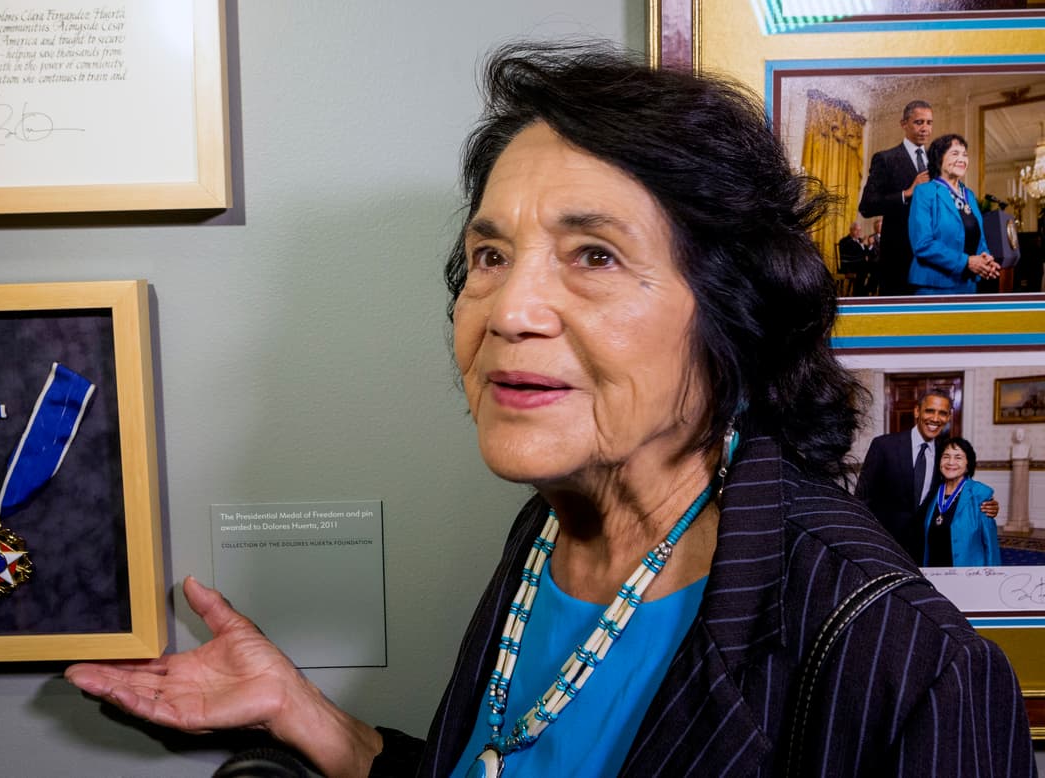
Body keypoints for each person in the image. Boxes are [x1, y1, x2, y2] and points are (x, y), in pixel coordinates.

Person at [65, 44, 1034, 777]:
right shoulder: (555, 527)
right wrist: (317, 723)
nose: (507, 312)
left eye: (594, 256)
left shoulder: (899, 660)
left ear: (730, 309)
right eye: (489, 257)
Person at [855, 390, 997, 565]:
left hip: (925, 550)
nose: (935, 418)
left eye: (942, 413)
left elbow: (958, 490)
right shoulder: (884, 446)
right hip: (885, 545)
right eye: (930, 410)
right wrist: (863, 540)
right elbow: (862, 498)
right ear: (917, 411)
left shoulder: (944, 455)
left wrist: (987, 506)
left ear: (949, 417)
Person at [908, 133, 1000, 294]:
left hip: (969, 285)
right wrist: (967, 262)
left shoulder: (969, 195)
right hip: (934, 286)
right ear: (939, 159)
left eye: (965, 154)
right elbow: (922, 244)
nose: (962, 159)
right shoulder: (925, 192)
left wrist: (985, 259)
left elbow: (979, 237)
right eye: (955, 153)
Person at [858, 100, 934, 296]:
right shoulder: (886, 159)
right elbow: (866, 206)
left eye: (929, 122)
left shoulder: (936, 163)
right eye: (919, 122)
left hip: (933, 258)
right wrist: (907, 193)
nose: (925, 128)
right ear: (904, 124)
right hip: (899, 258)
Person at [923, 437, 1001, 567]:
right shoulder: (932, 492)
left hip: (968, 575)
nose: (951, 462)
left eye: (958, 457)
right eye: (946, 456)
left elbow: (991, 546)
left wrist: (994, 579)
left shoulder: (980, 494)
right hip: (934, 572)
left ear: (968, 464)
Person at [836, 222, 871, 295]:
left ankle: (866, 291)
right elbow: (853, 253)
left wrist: (869, 245)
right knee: (864, 267)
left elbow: (867, 252)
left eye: (860, 230)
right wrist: (861, 244)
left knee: (874, 268)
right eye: (856, 230)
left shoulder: (860, 240)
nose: (858, 232)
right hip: (849, 266)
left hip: (859, 265)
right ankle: (859, 294)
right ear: (851, 230)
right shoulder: (844, 241)